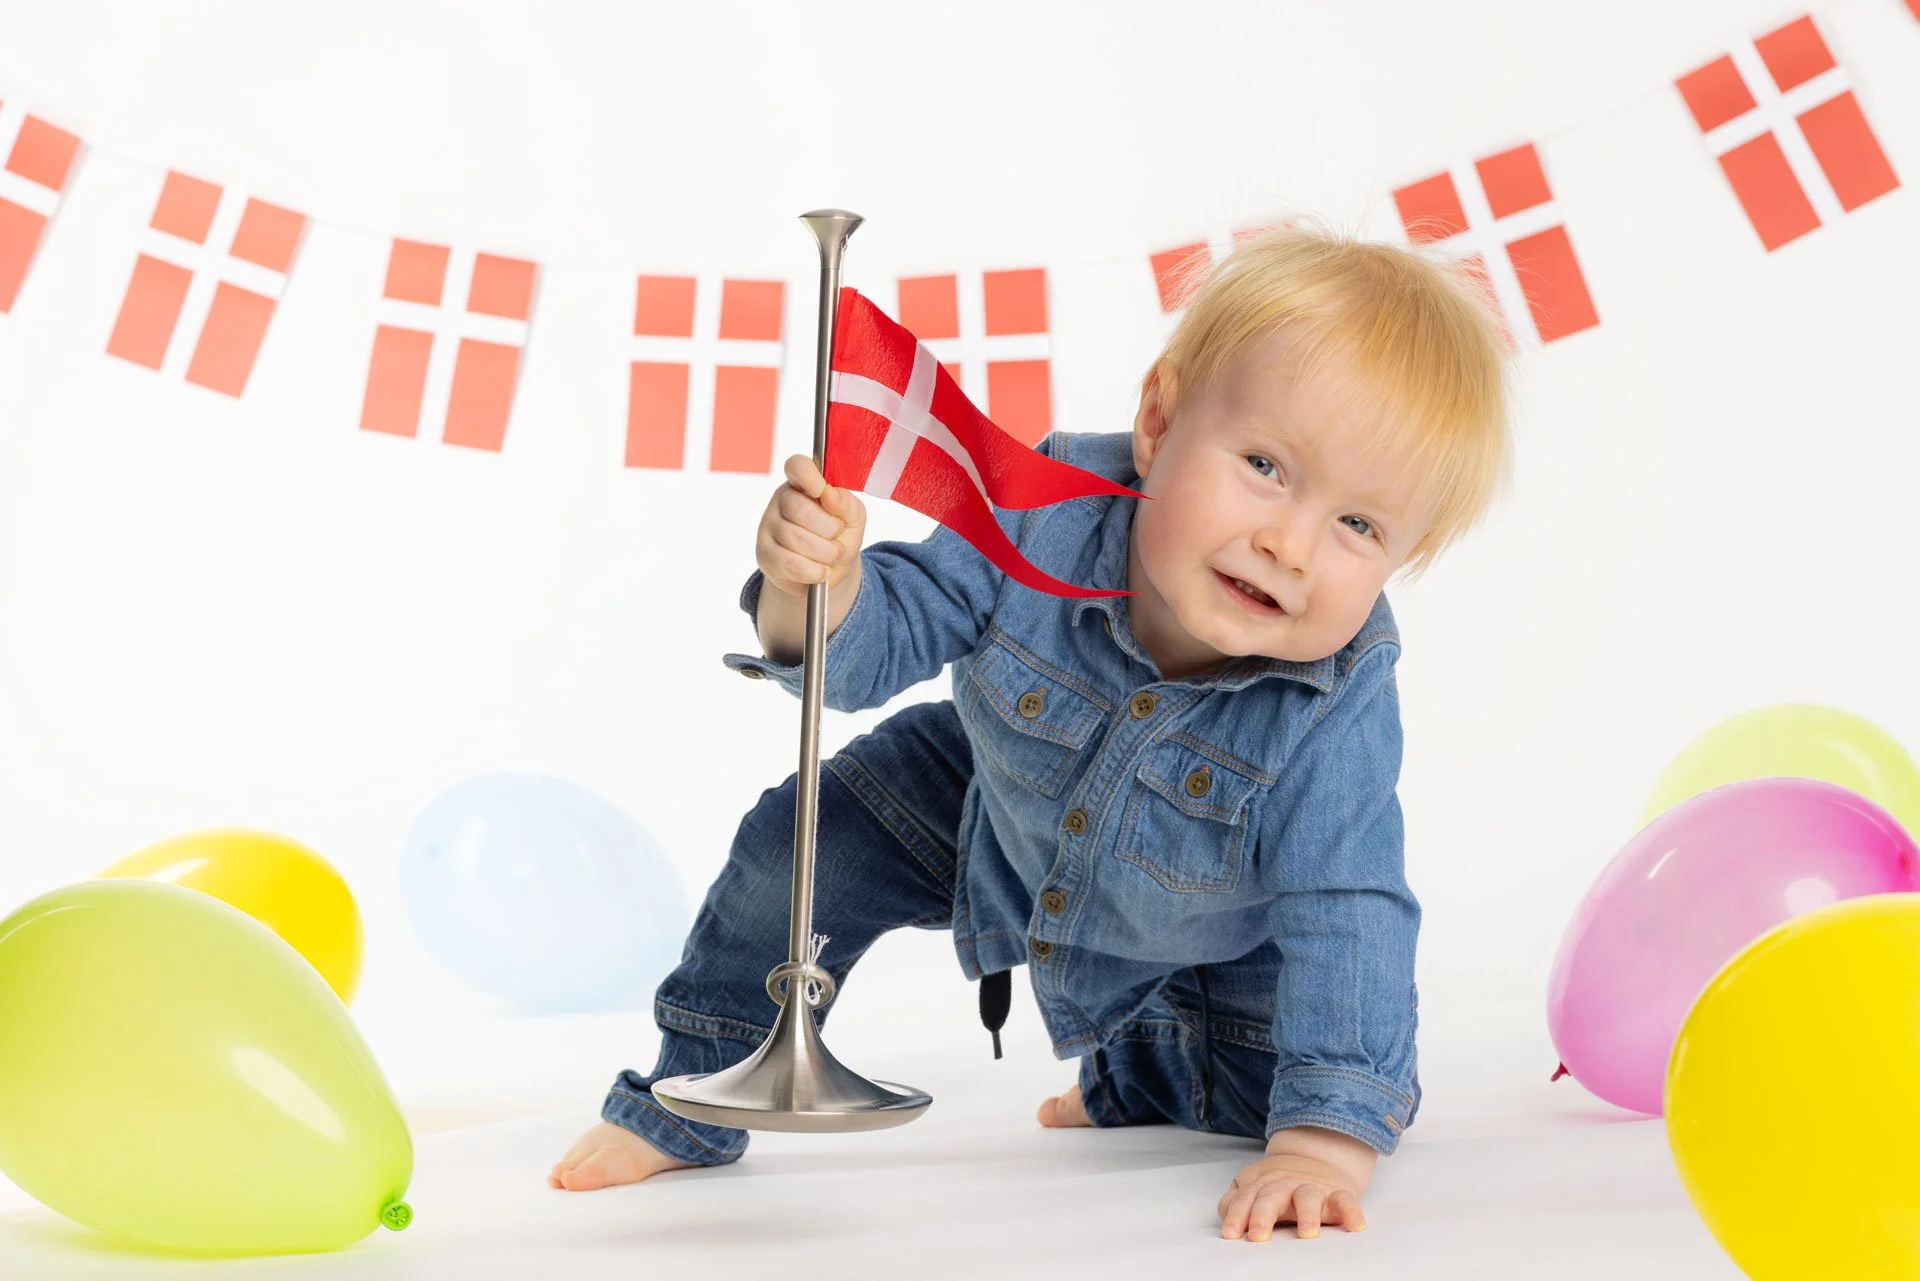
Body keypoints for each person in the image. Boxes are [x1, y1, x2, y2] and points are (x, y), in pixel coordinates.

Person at [550, 221, 1511, 1243]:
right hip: (986, 805)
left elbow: (1348, 905)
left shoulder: (1338, 689)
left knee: (1254, 1094)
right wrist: (816, 590)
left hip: (1222, 916)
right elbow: (874, 648)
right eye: (1266, 466)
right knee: (805, 833)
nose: (1289, 543)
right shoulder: (1043, 509)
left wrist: (1322, 1144)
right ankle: (691, 1090)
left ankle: (1143, 1070)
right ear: (1159, 421)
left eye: (1358, 526)